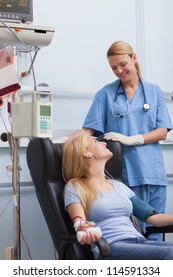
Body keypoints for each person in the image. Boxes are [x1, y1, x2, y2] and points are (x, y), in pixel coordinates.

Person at [57, 40, 173, 239]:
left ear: (134, 58)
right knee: (132, 232)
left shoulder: (154, 92)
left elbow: (162, 131)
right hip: (126, 173)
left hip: (153, 172)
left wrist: (133, 139)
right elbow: (88, 130)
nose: (119, 71)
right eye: (113, 67)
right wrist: (56, 142)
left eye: (123, 64)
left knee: (156, 231)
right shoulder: (106, 94)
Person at [62, 132, 173, 260]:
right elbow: (79, 221)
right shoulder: (75, 187)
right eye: (96, 142)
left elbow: (153, 218)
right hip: (111, 248)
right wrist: (83, 228)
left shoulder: (118, 186)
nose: (104, 143)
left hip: (139, 242)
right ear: (86, 153)